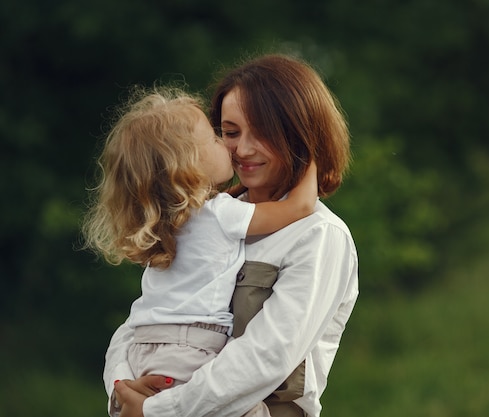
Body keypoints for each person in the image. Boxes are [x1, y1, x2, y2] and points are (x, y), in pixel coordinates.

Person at [105, 54, 359, 417]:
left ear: (300, 134)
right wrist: (122, 390)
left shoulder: (319, 234)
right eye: (230, 132)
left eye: (263, 133)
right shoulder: (196, 218)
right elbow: (140, 322)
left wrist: (159, 410)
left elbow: (265, 358)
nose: (242, 149)